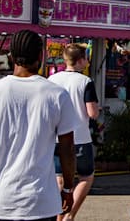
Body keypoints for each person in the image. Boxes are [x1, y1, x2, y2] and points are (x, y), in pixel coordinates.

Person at [0, 29, 77, 220]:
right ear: (40, 55)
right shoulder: (57, 95)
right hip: (41, 202)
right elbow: (67, 148)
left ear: (11, 56)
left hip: (1, 201)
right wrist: (68, 188)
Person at [48, 43, 100, 221]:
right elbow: (92, 112)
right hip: (79, 136)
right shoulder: (85, 82)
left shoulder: (52, 79)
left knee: (59, 177)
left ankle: (58, 214)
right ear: (81, 60)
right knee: (86, 176)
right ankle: (70, 214)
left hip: (54, 136)